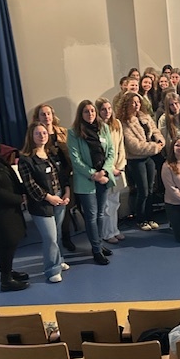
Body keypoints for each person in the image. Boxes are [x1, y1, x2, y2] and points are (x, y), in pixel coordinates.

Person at [19, 122, 71, 281]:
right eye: (37, 133)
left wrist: (66, 191)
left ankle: (59, 260)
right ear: (31, 136)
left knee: (57, 234)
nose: (42, 136)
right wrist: (49, 197)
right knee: (49, 237)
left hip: (59, 198)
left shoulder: (52, 154)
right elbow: (30, 185)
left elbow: (62, 175)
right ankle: (52, 270)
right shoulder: (25, 160)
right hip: (41, 203)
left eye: (44, 133)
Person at [67, 100, 116, 266]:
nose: (90, 114)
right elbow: (75, 159)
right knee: (92, 216)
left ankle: (99, 244)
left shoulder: (104, 128)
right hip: (86, 180)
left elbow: (111, 152)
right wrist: (93, 174)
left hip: (103, 177)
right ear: (80, 114)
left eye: (92, 111)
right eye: (86, 112)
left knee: (101, 214)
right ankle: (96, 250)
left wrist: (105, 171)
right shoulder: (73, 133)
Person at [0, 130, 29, 291]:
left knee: (10, 242)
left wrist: (23, 191)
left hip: (8, 209)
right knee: (5, 243)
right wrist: (19, 199)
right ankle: (6, 280)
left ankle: (8, 271)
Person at [32, 103, 75, 251]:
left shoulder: (62, 132)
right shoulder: (36, 136)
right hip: (48, 179)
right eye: (43, 114)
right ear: (37, 117)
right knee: (54, 215)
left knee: (66, 209)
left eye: (48, 113)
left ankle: (66, 238)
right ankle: (55, 246)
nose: (46, 117)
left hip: (65, 174)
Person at [121, 92, 165, 231]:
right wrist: (154, 147)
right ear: (127, 104)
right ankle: (140, 219)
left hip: (149, 157)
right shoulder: (124, 122)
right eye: (133, 102)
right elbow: (134, 146)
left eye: (138, 102)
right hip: (136, 160)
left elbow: (155, 131)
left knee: (151, 189)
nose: (136, 105)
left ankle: (150, 217)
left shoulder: (144, 117)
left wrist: (160, 141)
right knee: (143, 191)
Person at [95, 97, 127, 244]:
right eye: (103, 109)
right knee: (106, 205)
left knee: (115, 202)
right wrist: (110, 169)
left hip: (118, 169)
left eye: (109, 108)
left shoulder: (117, 123)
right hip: (106, 170)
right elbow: (101, 152)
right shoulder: (97, 127)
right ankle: (107, 233)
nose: (107, 111)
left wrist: (120, 166)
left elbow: (120, 146)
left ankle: (114, 230)